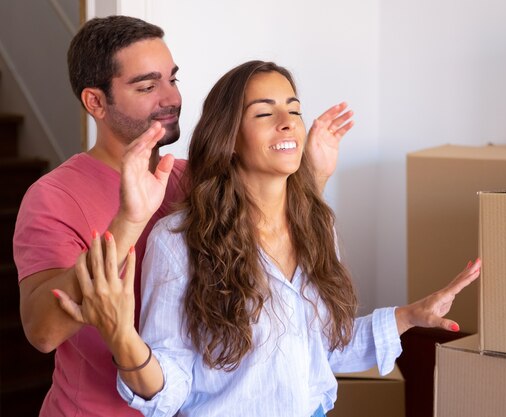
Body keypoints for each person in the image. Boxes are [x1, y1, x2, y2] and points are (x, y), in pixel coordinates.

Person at [55, 60, 482, 417]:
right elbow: (171, 391)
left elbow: (322, 349)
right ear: (230, 139)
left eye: (293, 110)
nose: (287, 123)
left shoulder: (317, 225)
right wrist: (121, 338)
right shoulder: (179, 241)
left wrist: (410, 316)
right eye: (264, 113)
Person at [13, 16, 353, 417]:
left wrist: (310, 175)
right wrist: (129, 220)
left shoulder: (198, 179)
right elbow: (42, 331)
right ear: (95, 102)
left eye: (172, 80)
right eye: (147, 85)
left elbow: (279, 253)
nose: (170, 98)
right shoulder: (53, 197)